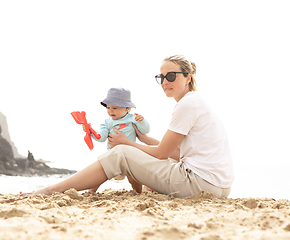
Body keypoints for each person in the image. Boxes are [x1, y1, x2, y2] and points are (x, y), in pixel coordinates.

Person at [20, 55, 234, 198]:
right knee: (132, 152)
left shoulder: (186, 105)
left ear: (188, 77)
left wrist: (126, 143)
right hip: (219, 188)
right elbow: (175, 153)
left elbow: (161, 154)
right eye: (161, 77)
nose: (165, 81)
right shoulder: (195, 101)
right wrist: (142, 139)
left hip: (199, 185)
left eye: (171, 76)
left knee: (121, 153)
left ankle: (50, 190)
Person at [83, 87, 150, 192]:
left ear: (127, 108)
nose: (110, 111)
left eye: (115, 108)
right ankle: (91, 192)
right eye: (108, 107)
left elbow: (145, 131)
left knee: (134, 178)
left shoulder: (133, 119)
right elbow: (101, 138)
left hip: (130, 155)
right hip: (112, 155)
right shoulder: (107, 122)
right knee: (100, 175)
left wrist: (142, 121)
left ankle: (138, 193)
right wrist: (90, 131)